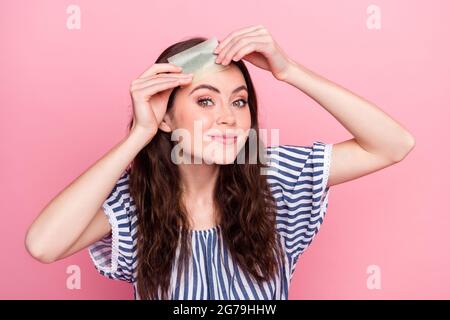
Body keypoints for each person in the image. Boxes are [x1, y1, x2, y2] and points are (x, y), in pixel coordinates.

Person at [25, 25, 415, 300]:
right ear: (166, 117)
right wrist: (140, 133)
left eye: (240, 100)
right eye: (205, 100)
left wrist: (289, 70)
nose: (228, 117)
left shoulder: (273, 178)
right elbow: (44, 245)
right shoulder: (132, 206)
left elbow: (392, 145)